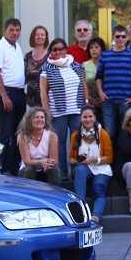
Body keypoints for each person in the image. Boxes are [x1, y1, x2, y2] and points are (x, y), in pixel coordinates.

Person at [40, 38, 89, 178]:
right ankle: (61, 174)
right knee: (59, 143)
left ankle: (76, 172)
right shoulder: (47, 67)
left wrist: (86, 103)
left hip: (77, 110)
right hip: (58, 112)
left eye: (61, 48)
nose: (58, 52)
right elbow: (43, 91)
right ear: (51, 52)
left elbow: (84, 85)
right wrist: (46, 110)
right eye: (54, 49)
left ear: (66, 50)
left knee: (77, 141)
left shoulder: (76, 65)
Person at [96, 25, 131, 142]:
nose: (120, 39)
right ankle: (110, 155)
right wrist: (100, 92)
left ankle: (125, 155)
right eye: (117, 36)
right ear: (113, 37)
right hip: (108, 101)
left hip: (126, 101)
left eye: (123, 36)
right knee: (109, 133)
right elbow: (99, 77)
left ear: (127, 37)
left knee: (126, 133)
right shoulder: (105, 55)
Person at [0, 18, 26, 175]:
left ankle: (15, 167)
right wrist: (4, 96)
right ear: (5, 30)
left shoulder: (18, 47)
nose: (15, 33)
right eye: (11, 30)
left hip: (19, 93)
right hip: (6, 92)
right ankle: (5, 169)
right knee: (6, 133)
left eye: (17, 30)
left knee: (19, 132)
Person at [70, 106, 113, 223]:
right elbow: (71, 159)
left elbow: (109, 158)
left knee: (98, 188)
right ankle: (81, 210)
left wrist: (95, 160)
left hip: (101, 168)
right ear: (80, 118)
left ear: (95, 118)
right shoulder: (75, 135)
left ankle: (96, 215)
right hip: (85, 168)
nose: (88, 119)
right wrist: (80, 160)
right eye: (85, 117)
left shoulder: (103, 134)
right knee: (79, 170)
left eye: (90, 116)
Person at [16, 107, 60, 185]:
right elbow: (27, 161)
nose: (40, 120)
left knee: (53, 169)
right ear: (29, 120)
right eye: (36, 117)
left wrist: (45, 163)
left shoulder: (52, 136)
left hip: (45, 168)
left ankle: (54, 192)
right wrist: (40, 162)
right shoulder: (22, 136)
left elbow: (54, 160)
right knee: (29, 170)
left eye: (42, 117)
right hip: (28, 168)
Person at [24, 25, 49, 108]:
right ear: (33, 37)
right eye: (37, 35)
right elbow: (24, 76)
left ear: (46, 37)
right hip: (31, 99)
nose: (40, 37)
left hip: (47, 97)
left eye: (42, 35)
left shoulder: (50, 55)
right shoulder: (27, 56)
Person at [83, 37, 106, 109]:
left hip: (106, 100)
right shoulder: (84, 65)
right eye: (91, 48)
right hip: (90, 101)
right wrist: (88, 98)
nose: (93, 50)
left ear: (102, 49)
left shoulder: (107, 64)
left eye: (96, 47)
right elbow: (83, 84)